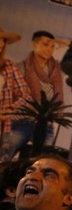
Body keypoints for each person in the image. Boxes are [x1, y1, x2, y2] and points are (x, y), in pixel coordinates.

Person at [0, 28, 33, 160]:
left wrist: (9, 110)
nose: (1, 44)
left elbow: (26, 95)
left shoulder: (9, 66)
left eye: (3, 40)